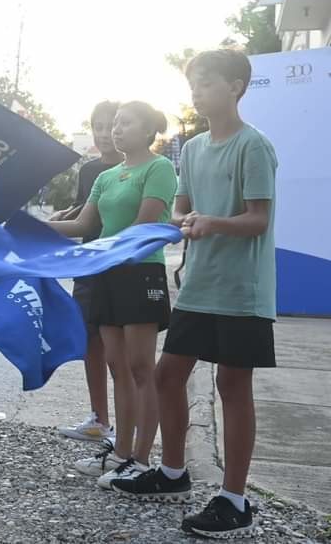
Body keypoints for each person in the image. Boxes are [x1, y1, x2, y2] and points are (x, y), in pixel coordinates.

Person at [112, 50, 277, 540]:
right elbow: (180, 209)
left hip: (242, 291)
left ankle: (234, 499)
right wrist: (177, 223)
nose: (196, 91)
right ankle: (173, 473)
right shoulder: (194, 148)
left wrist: (210, 223)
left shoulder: (254, 146)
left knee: (232, 385)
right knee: (167, 376)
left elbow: (258, 219)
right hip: (198, 286)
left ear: (237, 86)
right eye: (193, 84)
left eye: (206, 82)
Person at [48, 101, 176, 490]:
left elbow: (144, 225)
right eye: (114, 124)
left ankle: (142, 457)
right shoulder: (106, 176)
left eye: (126, 123)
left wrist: (99, 251)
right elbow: (87, 224)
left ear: (149, 130)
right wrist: (35, 230)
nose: (117, 130)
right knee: (118, 367)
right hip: (105, 273)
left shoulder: (159, 168)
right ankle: (120, 453)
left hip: (140, 273)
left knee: (141, 368)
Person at [54, 101, 122, 442]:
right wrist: (52, 222)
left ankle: (125, 428)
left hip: (121, 267)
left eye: (112, 125)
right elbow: (84, 212)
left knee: (117, 349)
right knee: (89, 341)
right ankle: (99, 418)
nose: (105, 133)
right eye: (98, 126)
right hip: (87, 264)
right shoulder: (90, 171)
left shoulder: (139, 168)